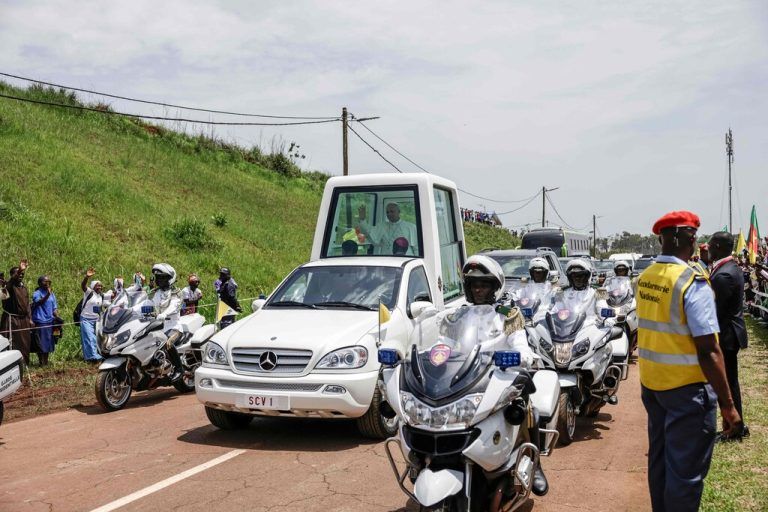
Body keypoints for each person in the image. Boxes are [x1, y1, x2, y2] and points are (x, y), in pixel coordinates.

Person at [637, 211, 742, 512]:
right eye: (692, 235)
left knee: (659, 464)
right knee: (685, 475)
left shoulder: (646, 277)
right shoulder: (691, 281)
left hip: (654, 386)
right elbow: (709, 349)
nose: (696, 241)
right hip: (686, 391)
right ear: (674, 237)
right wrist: (729, 406)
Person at [461, 255, 549, 496]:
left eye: (484, 284)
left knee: (527, 408)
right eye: (474, 285)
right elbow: (443, 344)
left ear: (495, 287)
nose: (478, 289)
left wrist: (519, 357)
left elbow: (522, 346)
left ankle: (537, 465)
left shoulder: (508, 314)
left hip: (497, 380)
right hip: (463, 381)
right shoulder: (458, 315)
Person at [708, 231, 749, 440]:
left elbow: (716, 309)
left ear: (718, 247)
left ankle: (734, 427)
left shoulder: (724, 274)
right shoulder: (729, 267)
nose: (707, 248)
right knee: (730, 379)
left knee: (728, 381)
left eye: (710, 245)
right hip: (730, 332)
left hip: (726, 334)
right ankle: (737, 424)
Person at [0, 260, 33, 365]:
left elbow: (27, 305)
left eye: (22, 274)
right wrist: (19, 270)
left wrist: (30, 318)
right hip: (11, 320)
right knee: (11, 342)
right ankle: (10, 365)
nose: (20, 275)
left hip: (24, 320)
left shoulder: (24, 288)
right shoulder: (8, 287)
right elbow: (12, 281)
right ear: (11, 275)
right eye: (17, 274)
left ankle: (24, 365)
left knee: (24, 343)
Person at [79, 268, 113, 363]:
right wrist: (87, 277)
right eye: (97, 286)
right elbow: (83, 285)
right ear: (93, 286)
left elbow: (113, 296)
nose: (99, 287)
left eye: (100, 286)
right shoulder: (89, 293)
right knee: (89, 338)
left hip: (97, 320)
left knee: (98, 338)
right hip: (86, 319)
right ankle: (91, 357)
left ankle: (97, 354)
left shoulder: (101, 296)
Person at [31, 275, 59, 366]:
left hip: (50, 321)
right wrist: (47, 294)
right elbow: (39, 302)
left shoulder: (52, 294)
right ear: (39, 283)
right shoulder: (37, 293)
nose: (47, 283)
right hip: (40, 321)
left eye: (49, 282)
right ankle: (41, 362)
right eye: (45, 281)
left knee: (49, 342)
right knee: (40, 343)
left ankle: (45, 362)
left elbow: (54, 308)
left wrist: (58, 318)